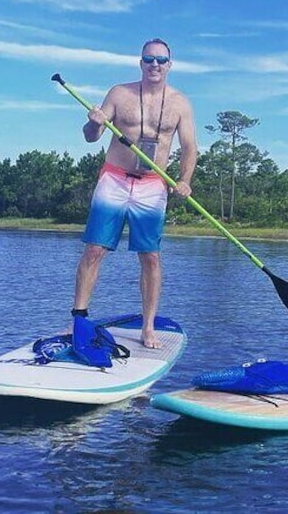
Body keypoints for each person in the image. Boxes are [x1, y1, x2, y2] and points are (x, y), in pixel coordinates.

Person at [72, 38, 197, 348]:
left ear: (170, 64)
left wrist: (184, 180)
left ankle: (149, 326)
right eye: (148, 59)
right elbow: (91, 137)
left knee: (151, 257)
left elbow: (190, 148)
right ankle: (78, 318)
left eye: (161, 59)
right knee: (94, 250)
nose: (154, 64)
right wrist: (93, 122)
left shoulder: (180, 102)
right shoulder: (119, 93)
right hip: (114, 179)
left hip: (154, 183)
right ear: (140, 62)